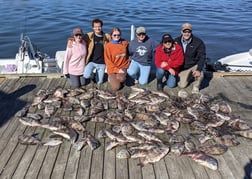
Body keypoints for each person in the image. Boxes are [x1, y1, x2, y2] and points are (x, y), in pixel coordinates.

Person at [174, 23, 206, 93]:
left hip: (193, 65)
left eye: (189, 32)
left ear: (191, 32)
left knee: (200, 74)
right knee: (182, 85)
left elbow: (202, 57)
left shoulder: (198, 42)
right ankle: (189, 76)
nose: (187, 34)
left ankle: (196, 86)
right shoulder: (176, 41)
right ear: (181, 32)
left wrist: (199, 69)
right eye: (185, 31)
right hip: (182, 67)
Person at [83, 18, 110, 86]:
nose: (98, 28)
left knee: (99, 82)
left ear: (101, 27)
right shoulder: (88, 36)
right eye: (96, 27)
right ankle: (92, 75)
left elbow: (115, 42)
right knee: (86, 76)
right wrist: (70, 40)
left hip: (102, 63)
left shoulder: (107, 36)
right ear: (93, 27)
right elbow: (78, 38)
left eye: (99, 26)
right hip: (91, 62)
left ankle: (96, 77)